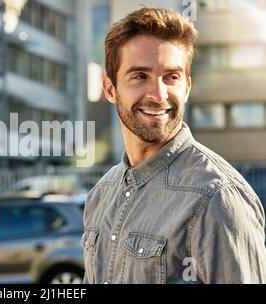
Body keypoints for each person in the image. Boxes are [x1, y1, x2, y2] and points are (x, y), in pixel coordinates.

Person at [81, 7, 266, 284]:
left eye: (171, 77)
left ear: (187, 87)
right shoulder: (101, 194)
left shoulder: (216, 199)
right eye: (140, 76)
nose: (158, 95)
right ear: (110, 89)